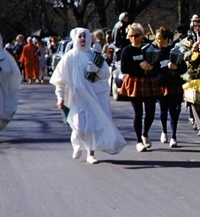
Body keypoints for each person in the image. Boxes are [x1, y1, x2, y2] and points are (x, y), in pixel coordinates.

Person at [50, 27, 126, 164]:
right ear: (75, 38)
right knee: (78, 127)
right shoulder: (69, 57)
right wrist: (60, 97)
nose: (83, 39)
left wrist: (96, 69)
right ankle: (77, 143)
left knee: (91, 125)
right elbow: (60, 80)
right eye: (80, 37)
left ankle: (90, 153)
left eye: (85, 36)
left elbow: (105, 75)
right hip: (75, 98)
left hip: (92, 97)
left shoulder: (95, 55)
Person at [118, 22, 161, 152]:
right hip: (135, 82)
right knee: (138, 113)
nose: (133, 38)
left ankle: (145, 133)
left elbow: (158, 64)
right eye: (130, 36)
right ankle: (138, 141)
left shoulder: (149, 48)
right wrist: (139, 66)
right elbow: (124, 68)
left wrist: (152, 67)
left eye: (136, 35)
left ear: (141, 36)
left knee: (151, 112)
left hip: (149, 81)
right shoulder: (127, 50)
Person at [153, 26, 184, 148]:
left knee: (173, 111)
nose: (157, 41)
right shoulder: (154, 51)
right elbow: (153, 68)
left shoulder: (174, 51)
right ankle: (164, 131)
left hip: (173, 83)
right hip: (161, 83)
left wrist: (176, 68)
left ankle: (173, 136)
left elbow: (183, 67)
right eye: (156, 38)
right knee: (163, 110)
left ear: (166, 39)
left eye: (159, 38)